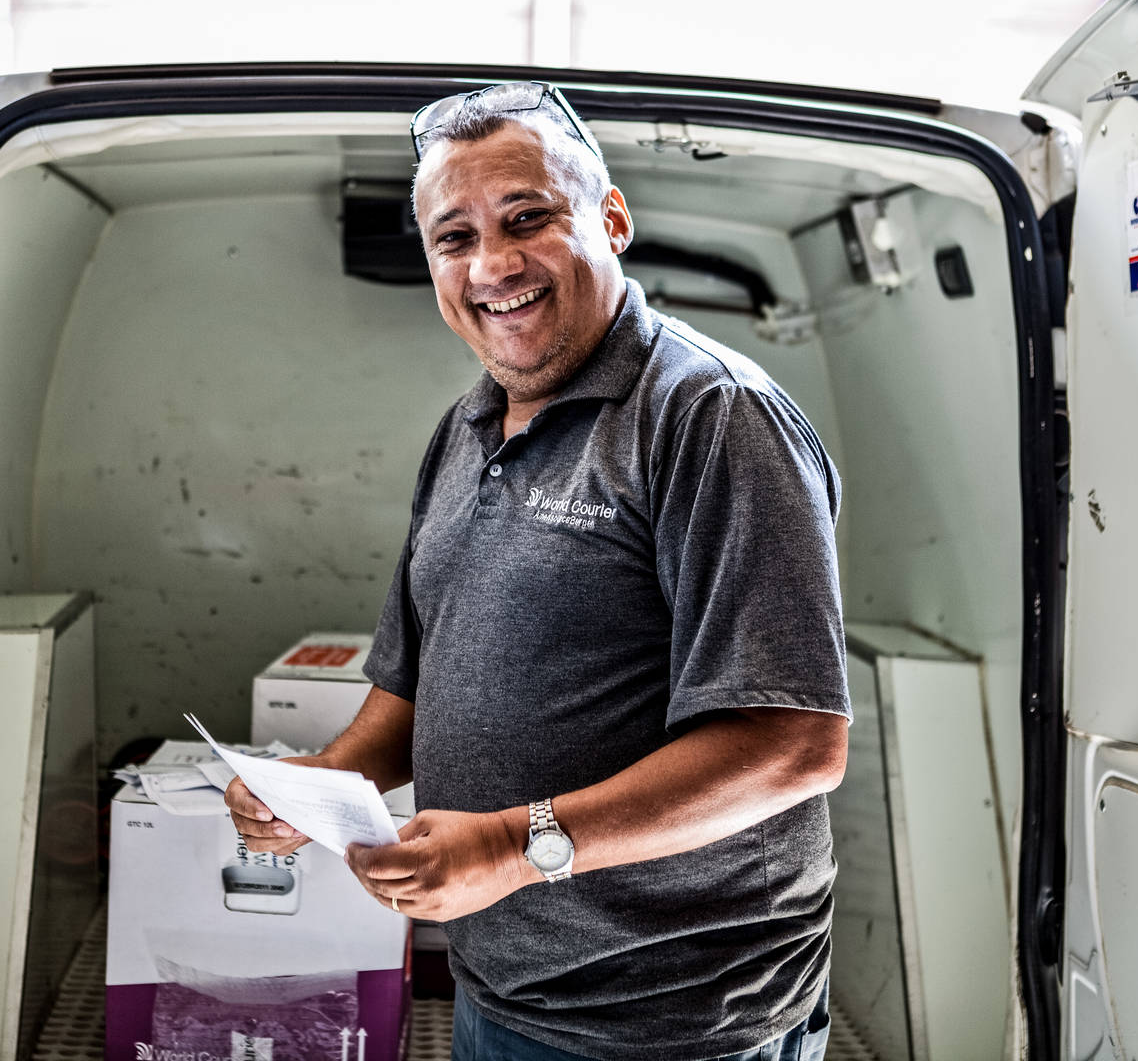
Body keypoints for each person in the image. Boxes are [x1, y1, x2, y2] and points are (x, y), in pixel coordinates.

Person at [226, 81, 850, 1061]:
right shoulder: (467, 426)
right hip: (505, 986)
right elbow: (415, 684)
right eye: (454, 237)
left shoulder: (709, 416)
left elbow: (792, 745)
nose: (493, 264)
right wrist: (320, 783)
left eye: (527, 218)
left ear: (609, 219)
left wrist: (513, 848)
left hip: (676, 1018)